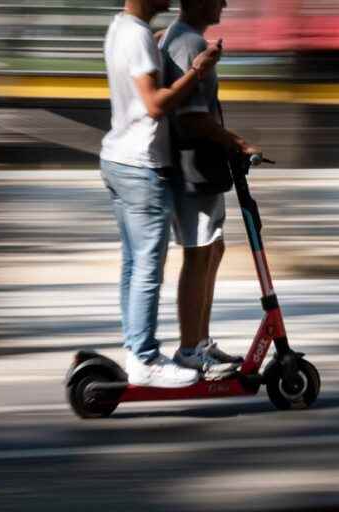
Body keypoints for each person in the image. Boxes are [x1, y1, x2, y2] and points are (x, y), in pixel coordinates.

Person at [99, 0, 221, 387]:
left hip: (117, 159)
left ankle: (136, 349)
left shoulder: (121, 28)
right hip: (141, 164)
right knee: (148, 269)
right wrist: (197, 71)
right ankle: (145, 359)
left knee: (134, 266)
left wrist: (159, 43)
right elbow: (154, 105)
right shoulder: (135, 35)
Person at [160, 0, 261, 379]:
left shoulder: (182, 38)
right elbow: (193, 119)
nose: (224, 3)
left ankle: (199, 343)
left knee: (212, 250)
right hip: (192, 167)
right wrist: (238, 143)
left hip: (201, 166)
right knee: (198, 254)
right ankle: (189, 349)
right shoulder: (187, 44)